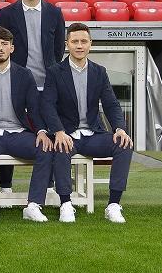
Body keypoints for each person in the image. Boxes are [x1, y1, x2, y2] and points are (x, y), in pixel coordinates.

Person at [43, 23, 133, 224]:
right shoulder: (55, 71)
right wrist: (58, 131)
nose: (79, 45)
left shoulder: (99, 72)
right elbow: (48, 106)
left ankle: (113, 204)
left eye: (84, 41)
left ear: (90, 44)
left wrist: (120, 128)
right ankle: (65, 203)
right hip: (66, 134)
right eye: (75, 41)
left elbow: (111, 104)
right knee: (60, 148)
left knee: (124, 144)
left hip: (93, 134)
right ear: (67, 44)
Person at [0, 27, 56, 223]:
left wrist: (41, 131)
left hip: (18, 132)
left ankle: (33, 205)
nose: (0, 48)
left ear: (12, 48)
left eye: (4, 44)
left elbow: (34, 108)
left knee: (45, 148)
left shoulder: (24, 75)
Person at [0, 0, 67, 193]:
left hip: (47, 85)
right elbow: (0, 46)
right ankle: (6, 186)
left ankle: (51, 184)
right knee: (11, 127)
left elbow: (57, 50)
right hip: (17, 85)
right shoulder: (7, 14)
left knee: (50, 130)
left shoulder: (54, 13)